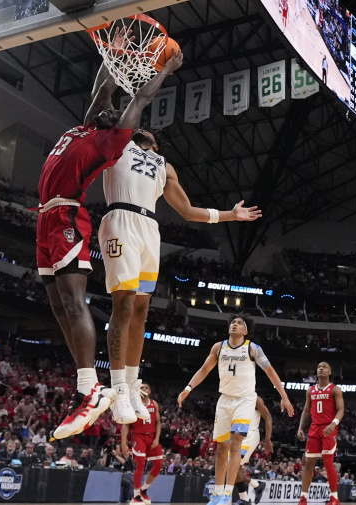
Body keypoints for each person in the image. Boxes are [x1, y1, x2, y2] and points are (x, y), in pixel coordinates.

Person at [36, 28, 184, 440]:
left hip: (68, 214)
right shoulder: (86, 126)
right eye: (105, 108)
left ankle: (91, 387)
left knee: (73, 299)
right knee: (57, 305)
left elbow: (138, 99)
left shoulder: (111, 141)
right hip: (44, 218)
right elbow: (105, 88)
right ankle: (86, 388)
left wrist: (164, 69)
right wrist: (115, 53)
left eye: (112, 112)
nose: (108, 109)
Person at [99, 126, 261, 423]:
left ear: (157, 146)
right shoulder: (117, 146)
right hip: (120, 219)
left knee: (141, 310)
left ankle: (133, 384)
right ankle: (118, 388)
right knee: (122, 305)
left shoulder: (164, 166)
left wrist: (230, 215)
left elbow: (187, 211)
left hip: (149, 228)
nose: (145, 130)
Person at [178, 314, 295, 505]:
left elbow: (270, 371)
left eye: (240, 323)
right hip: (224, 400)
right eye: (233, 322)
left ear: (246, 331)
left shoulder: (252, 348)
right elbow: (204, 370)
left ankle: (227, 494)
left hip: (245, 400)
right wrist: (188, 388)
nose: (235, 324)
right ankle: (217, 494)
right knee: (221, 448)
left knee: (235, 442)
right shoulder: (218, 347)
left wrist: (284, 396)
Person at [296, 362, 344, 505]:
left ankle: (334, 498)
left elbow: (341, 410)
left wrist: (333, 424)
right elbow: (306, 411)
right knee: (309, 462)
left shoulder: (335, 389)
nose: (321, 368)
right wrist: (300, 428)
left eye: (325, 367)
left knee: (328, 462)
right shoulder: (310, 390)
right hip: (314, 428)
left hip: (329, 427)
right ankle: (303, 497)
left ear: (330, 372)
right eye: (318, 367)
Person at [121, 382, 163, 504]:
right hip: (138, 437)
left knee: (158, 464)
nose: (144, 389)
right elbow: (126, 425)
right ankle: (136, 496)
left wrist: (157, 438)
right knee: (140, 465)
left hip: (152, 437)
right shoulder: (133, 405)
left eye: (146, 388)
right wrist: (124, 443)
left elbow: (158, 422)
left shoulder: (154, 404)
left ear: (149, 391)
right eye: (141, 387)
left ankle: (144, 489)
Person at [235, 397, 272, 505]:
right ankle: (256, 486)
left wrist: (268, 439)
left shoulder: (256, 399)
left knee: (232, 464)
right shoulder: (234, 396)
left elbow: (268, 417)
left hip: (249, 435)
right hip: (237, 435)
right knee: (233, 468)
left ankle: (245, 498)